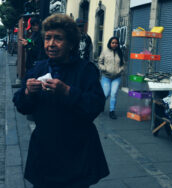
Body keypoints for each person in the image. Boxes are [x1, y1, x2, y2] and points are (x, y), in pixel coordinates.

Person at [12, 14, 109, 188]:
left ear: (71, 43)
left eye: (58, 38)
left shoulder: (86, 70)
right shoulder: (38, 68)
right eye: (48, 38)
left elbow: (95, 106)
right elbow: (21, 105)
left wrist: (68, 92)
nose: (51, 44)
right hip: (44, 152)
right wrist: (27, 92)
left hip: (77, 154)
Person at [98, 36, 124, 119]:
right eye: (113, 43)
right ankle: (100, 107)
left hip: (116, 77)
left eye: (116, 43)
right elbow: (99, 62)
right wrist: (104, 69)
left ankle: (112, 111)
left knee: (113, 94)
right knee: (105, 94)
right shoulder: (105, 52)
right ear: (110, 43)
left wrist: (120, 70)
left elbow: (123, 63)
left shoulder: (120, 52)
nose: (114, 44)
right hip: (106, 77)